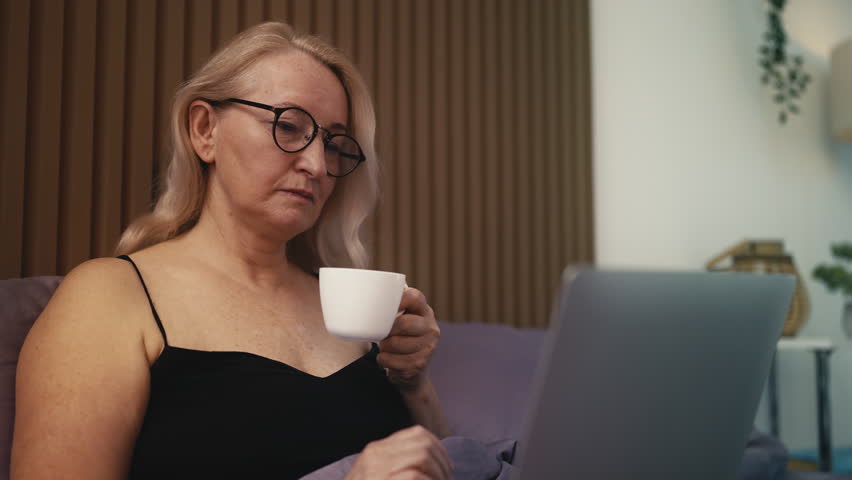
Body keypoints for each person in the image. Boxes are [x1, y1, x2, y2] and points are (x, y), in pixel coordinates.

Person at [12, 22, 452, 480]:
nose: (317, 165)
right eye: (289, 125)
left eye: (333, 143)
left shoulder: (351, 310)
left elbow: (442, 465)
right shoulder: (108, 296)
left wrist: (415, 385)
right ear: (204, 130)